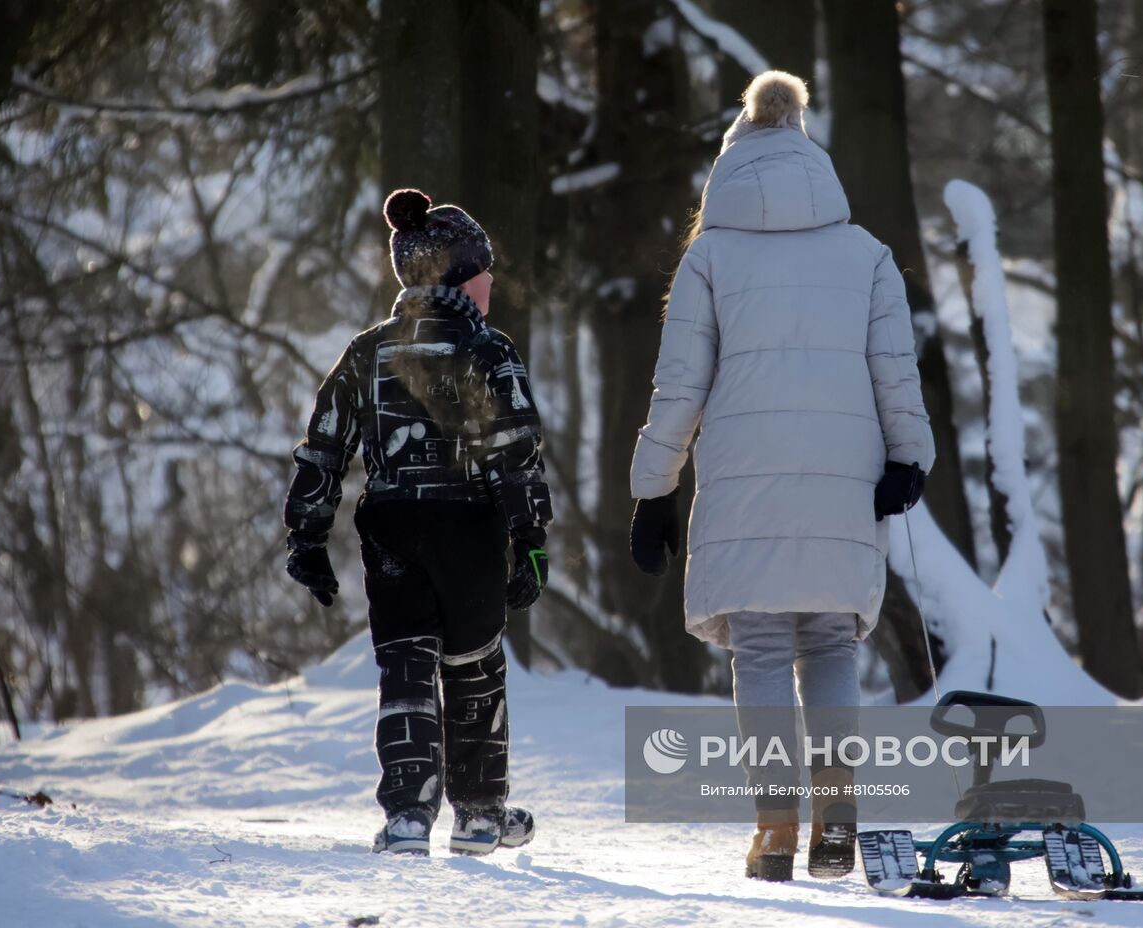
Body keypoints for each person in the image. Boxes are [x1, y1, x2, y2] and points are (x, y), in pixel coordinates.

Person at [628, 71, 935, 882]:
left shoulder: (709, 257)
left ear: (730, 163)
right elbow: (894, 371)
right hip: (845, 475)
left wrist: (654, 489)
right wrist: (910, 457)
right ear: (808, 150)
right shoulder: (866, 254)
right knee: (831, 639)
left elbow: (679, 386)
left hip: (742, 479)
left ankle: (774, 833)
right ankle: (838, 820)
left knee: (761, 647)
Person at [283, 188, 553, 857]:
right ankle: (480, 813)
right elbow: (516, 455)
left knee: (406, 666)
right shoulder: (489, 351)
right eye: (483, 270)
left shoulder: (368, 351)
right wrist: (532, 544)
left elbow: (325, 446)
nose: (492, 281)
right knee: (475, 666)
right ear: (461, 275)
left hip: (394, 531)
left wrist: (308, 538)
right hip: (470, 533)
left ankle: (407, 814)